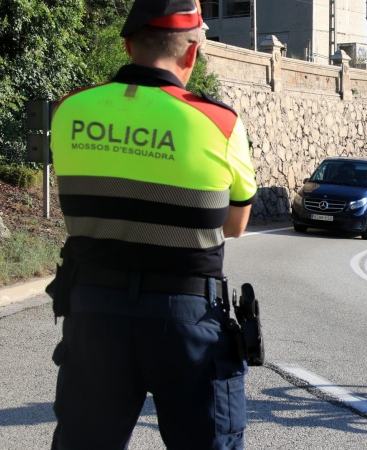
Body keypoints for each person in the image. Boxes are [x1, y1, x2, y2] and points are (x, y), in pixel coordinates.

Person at [48, 1, 256, 448]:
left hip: (93, 313)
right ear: (192, 53)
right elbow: (236, 224)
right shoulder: (219, 123)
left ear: (127, 44)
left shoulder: (69, 110)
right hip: (187, 320)